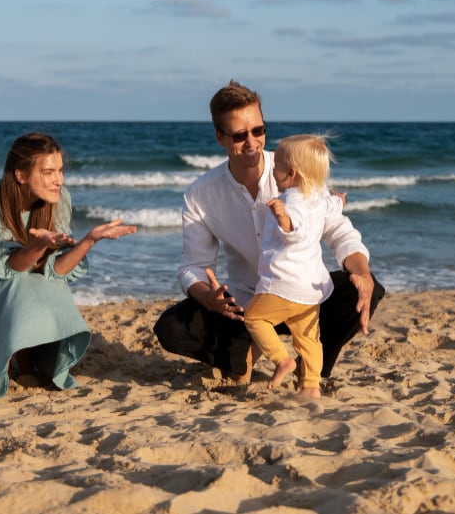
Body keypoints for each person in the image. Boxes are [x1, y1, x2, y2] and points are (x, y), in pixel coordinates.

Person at [154, 80, 385, 384]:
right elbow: (192, 266)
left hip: (302, 295)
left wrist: (362, 272)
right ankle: (243, 353)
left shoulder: (293, 167)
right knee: (171, 327)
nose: (252, 143)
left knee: (366, 288)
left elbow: (338, 230)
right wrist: (207, 296)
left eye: (258, 131)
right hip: (245, 302)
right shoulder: (200, 193)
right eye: (239, 135)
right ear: (220, 138)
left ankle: (313, 363)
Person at [0, 132, 136, 399]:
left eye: (60, 170)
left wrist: (89, 240)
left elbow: (56, 271)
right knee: (20, 281)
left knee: (49, 283)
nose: (58, 179)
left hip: (31, 295)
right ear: (21, 175)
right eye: (48, 172)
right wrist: (38, 246)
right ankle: (13, 358)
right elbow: (7, 268)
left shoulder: (59, 199)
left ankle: (33, 357)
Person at [244, 134, 346, 399]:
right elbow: (333, 206)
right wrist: (340, 200)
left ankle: (282, 360)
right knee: (309, 337)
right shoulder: (319, 197)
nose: (272, 170)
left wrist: (282, 217)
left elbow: (295, 231)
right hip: (310, 287)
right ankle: (311, 386)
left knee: (255, 318)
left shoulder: (291, 200)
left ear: (290, 173)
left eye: (276, 165)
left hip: (283, 283)